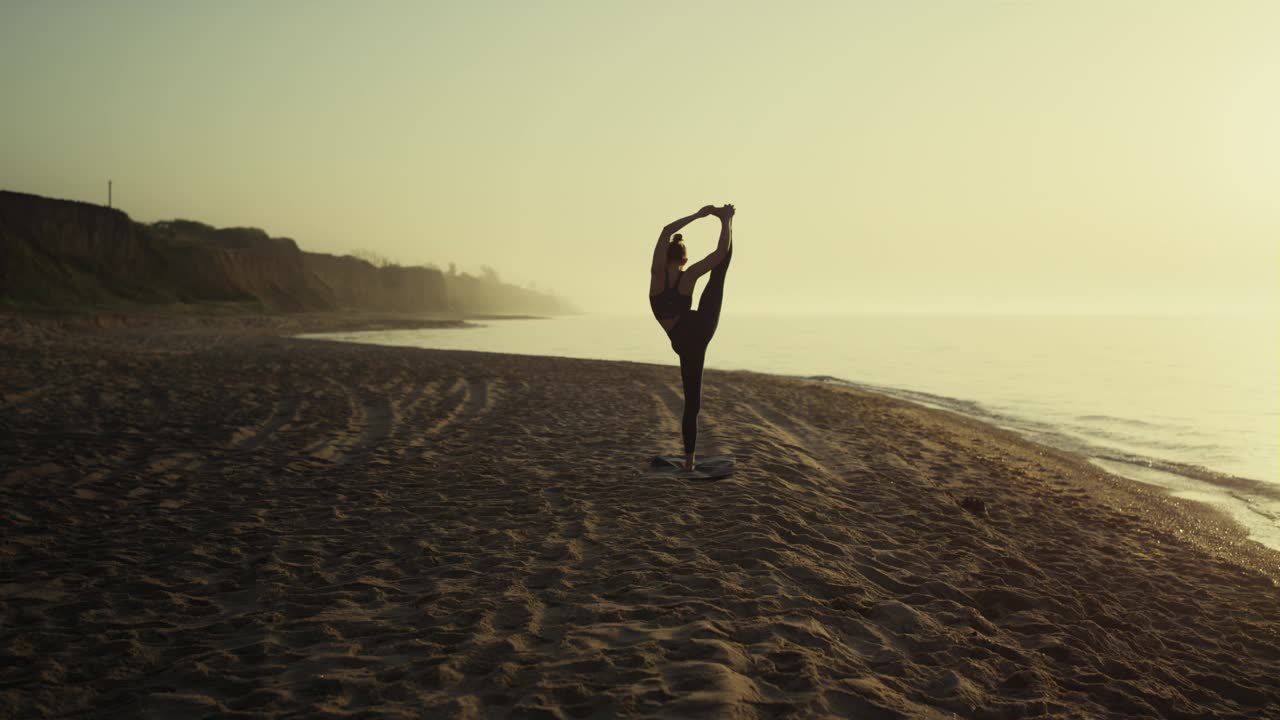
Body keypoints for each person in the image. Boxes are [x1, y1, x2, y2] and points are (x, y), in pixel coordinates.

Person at [649, 203, 735, 471]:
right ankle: (728, 219)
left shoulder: (656, 278)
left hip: (685, 340)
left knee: (691, 401)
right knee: (720, 270)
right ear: (684, 260)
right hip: (701, 326)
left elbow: (665, 231)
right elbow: (721, 253)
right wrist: (725, 221)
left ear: (665, 258)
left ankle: (689, 462)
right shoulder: (689, 277)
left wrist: (697, 215)